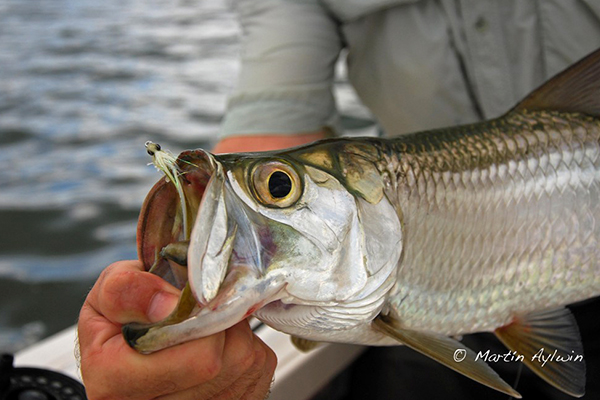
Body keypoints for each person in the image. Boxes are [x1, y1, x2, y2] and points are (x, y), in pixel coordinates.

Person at [78, 1, 600, 399]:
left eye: (280, 189)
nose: (277, 192)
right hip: (430, 313)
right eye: (279, 189)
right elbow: (272, 115)